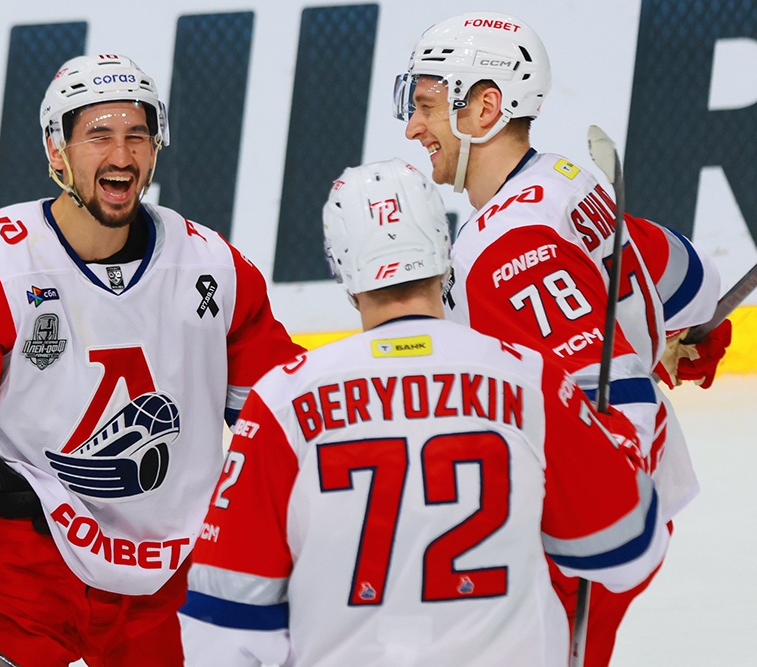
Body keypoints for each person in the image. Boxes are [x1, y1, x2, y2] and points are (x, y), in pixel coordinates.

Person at [0, 53, 304, 666]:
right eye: (99, 135)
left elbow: (283, 418)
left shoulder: (213, 266)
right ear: (57, 151)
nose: (121, 155)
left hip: (171, 569)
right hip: (16, 572)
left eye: (137, 135)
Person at [177, 158, 668, 666]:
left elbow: (221, 625)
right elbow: (626, 552)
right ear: (443, 249)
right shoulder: (529, 378)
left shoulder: (282, 400)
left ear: (341, 267)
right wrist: (619, 425)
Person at [391, 12, 731, 665]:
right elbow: (689, 275)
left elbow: (600, 392)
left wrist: (605, 516)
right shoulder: (562, 179)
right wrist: (678, 327)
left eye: (427, 107)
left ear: (485, 108)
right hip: (612, 506)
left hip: (579, 533)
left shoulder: (507, 247)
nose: (413, 127)